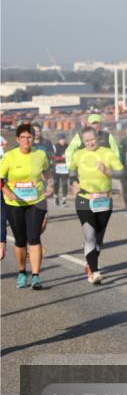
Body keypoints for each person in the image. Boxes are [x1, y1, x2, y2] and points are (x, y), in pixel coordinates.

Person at [68, 126, 124, 285]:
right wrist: (73, 182)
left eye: (92, 139)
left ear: (97, 138)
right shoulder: (78, 154)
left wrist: (108, 171)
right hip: (85, 199)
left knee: (98, 239)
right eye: (86, 141)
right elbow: (72, 170)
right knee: (90, 236)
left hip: (104, 200)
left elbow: (121, 172)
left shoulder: (107, 153)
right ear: (82, 141)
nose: (90, 143)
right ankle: (94, 272)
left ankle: (90, 263)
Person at [0, 123, 53, 289]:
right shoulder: (9, 156)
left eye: (29, 137)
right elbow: (1, 179)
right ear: (17, 139)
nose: (26, 140)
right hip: (14, 203)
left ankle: (36, 276)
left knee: (35, 237)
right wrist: (7, 192)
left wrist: (50, 185)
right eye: (22, 137)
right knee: (20, 240)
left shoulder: (40, 154)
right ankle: (22, 272)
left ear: (33, 138)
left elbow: (47, 172)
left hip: (36, 201)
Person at [52, 133, 70, 206]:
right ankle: (56, 196)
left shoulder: (68, 146)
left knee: (65, 184)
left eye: (64, 139)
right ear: (58, 140)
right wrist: (61, 158)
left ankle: (64, 199)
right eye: (61, 139)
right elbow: (52, 158)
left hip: (65, 168)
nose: (63, 141)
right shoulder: (55, 147)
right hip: (57, 168)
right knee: (56, 183)